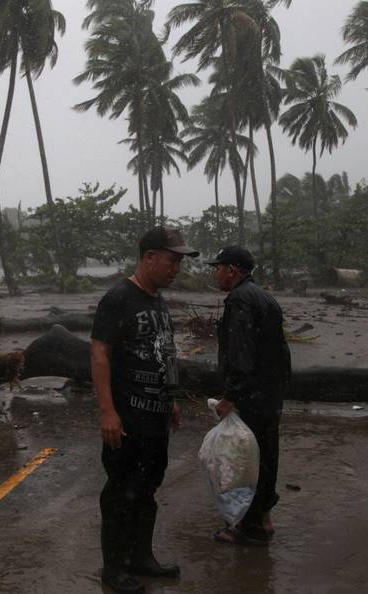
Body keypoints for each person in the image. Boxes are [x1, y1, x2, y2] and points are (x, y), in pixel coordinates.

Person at [91, 226, 199, 594]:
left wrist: (171, 400)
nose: (176, 269)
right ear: (149, 257)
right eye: (172, 260)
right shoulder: (118, 298)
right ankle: (114, 569)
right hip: (127, 418)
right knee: (121, 493)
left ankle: (142, 558)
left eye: (180, 262)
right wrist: (107, 411)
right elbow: (100, 352)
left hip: (156, 417)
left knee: (148, 489)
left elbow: (163, 352)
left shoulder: (157, 301)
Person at [208, 245, 291, 546]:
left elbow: (242, 353)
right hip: (269, 393)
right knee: (266, 455)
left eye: (217, 267)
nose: (215, 272)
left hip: (253, 396)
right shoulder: (264, 296)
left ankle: (250, 525)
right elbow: (280, 351)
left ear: (232, 270)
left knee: (247, 460)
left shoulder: (240, 299)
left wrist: (231, 395)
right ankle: (264, 517)